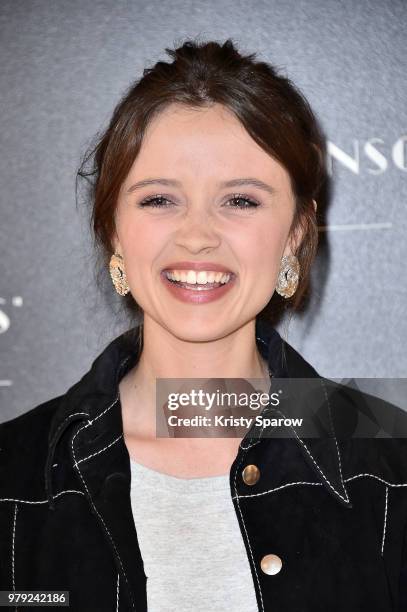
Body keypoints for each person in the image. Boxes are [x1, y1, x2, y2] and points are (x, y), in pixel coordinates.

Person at [1, 38, 406, 612]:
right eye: (159, 199)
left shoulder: (391, 467)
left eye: (240, 201)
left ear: (295, 233)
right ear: (114, 229)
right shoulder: (13, 478)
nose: (196, 235)